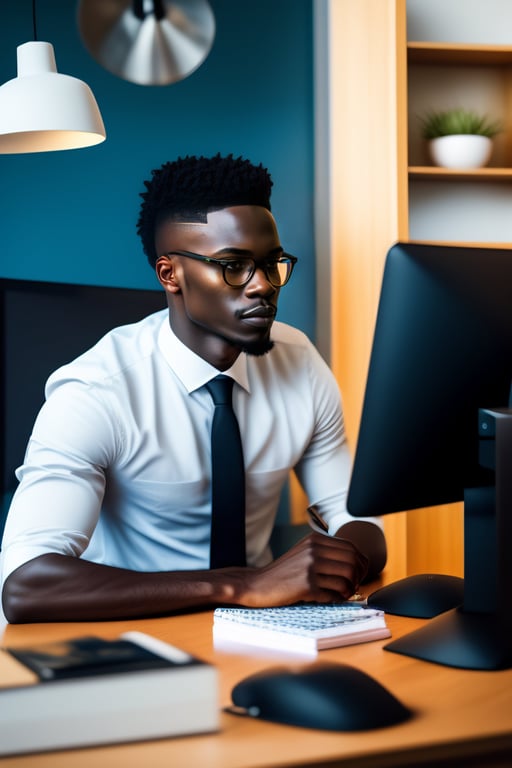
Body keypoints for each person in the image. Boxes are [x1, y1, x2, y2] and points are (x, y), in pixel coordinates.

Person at [1, 154, 386, 623]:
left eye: (271, 264)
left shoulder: (299, 361)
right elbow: (24, 585)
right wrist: (241, 585)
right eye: (233, 266)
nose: (262, 286)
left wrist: (335, 558)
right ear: (170, 275)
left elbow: (358, 521)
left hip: (265, 626)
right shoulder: (95, 394)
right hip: (128, 631)